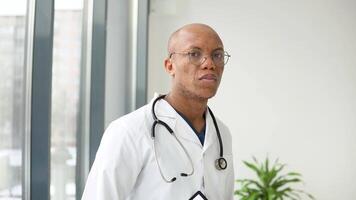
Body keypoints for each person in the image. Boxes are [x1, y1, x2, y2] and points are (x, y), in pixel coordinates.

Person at [81, 23, 234, 200]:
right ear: (170, 66)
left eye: (217, 55)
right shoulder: (128, 131)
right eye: (194, 54)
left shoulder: (222, 134)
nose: (209, 64)